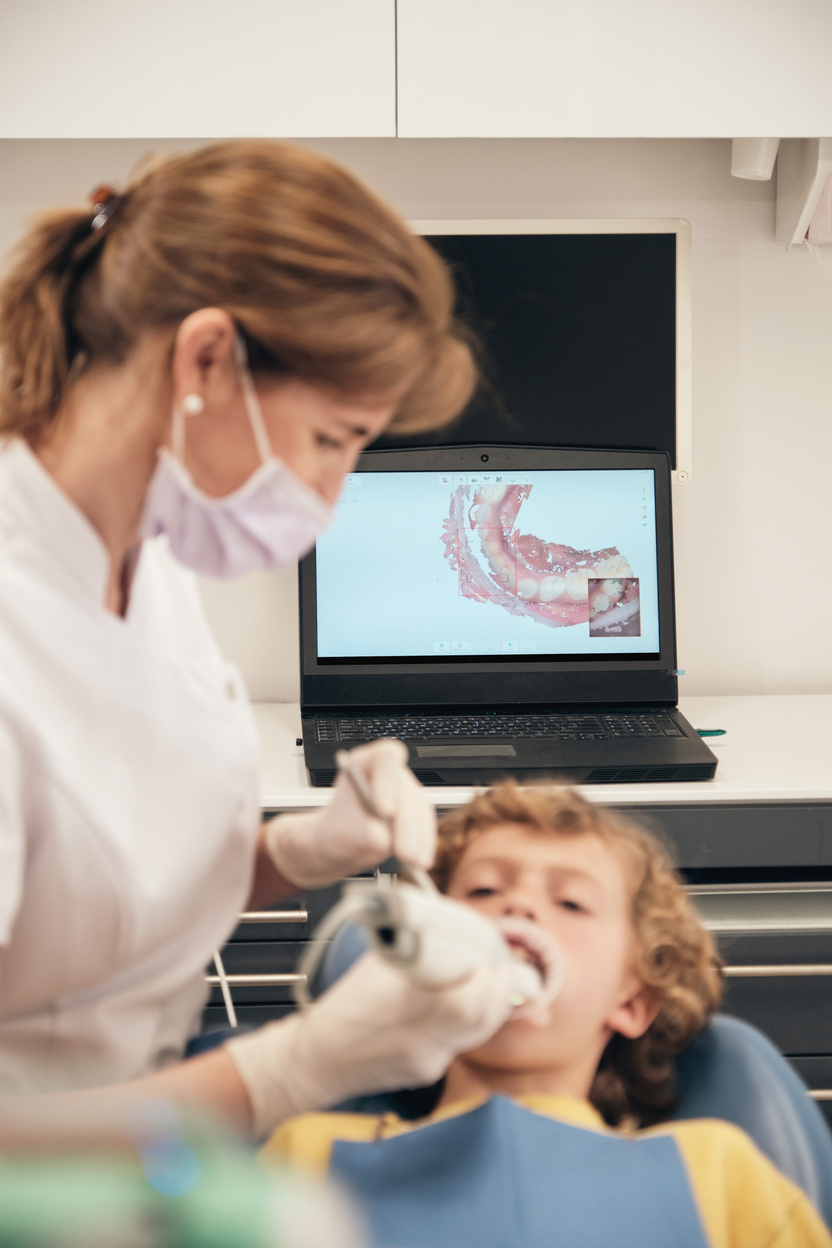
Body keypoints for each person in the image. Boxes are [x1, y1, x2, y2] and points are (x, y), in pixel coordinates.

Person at [0, 139, 520, 1132]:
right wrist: (285, 1075)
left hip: (145, 1118)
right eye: (331, 440)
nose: (331, 500)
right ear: (204, 358)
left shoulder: (143, 560)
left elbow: (103, 885)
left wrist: (303, 848)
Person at [266, 783, 832, 1248]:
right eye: (484, 890)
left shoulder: (720, 1172)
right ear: (426, 958)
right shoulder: (308, 1155)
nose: (520, 906)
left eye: (571, 903)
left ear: (631, 1002)